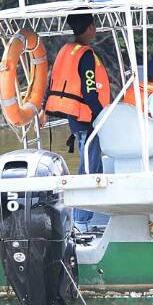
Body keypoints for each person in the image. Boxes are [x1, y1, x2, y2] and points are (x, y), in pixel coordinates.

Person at [44, 12, 111, 229]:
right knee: (90, 172)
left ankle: (80, 219)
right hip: (87, 119)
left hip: (76, 119)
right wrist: (101, 116)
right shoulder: (86, 55)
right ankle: (81, 222)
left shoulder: (66, 50)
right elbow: (90, 91)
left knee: (87, 167)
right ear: (90, 27)